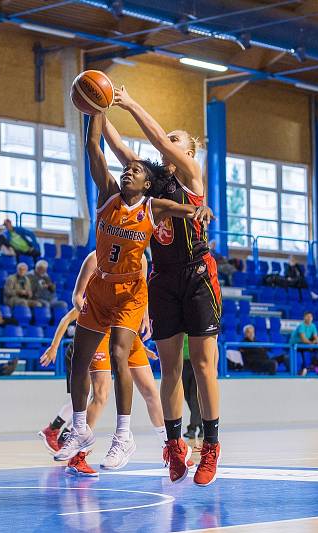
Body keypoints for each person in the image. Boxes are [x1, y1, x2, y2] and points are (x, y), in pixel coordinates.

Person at [52, 113, 211, 477]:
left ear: (147, 182)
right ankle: (79, 429)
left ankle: (124, 436)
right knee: (79, 357)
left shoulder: (153, 205)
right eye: (128, 169)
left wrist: (198, 209)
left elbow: (183, 208)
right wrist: (97, 110)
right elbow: (96, 147)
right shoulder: (108, 194)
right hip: (101, 286)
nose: (128, 171)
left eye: (136, 171)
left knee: (119, 354)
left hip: (131, 290)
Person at [104, 87, 223, 485]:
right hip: (163, 278)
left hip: (197, 274)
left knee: (203, 366)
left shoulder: (191, 175)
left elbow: (153, 140)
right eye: (167, 138)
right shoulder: (150, 184)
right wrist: (97, 109)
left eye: (176, 140)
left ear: (189, 152)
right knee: (169, 370)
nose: (166, 143)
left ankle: (211, 447)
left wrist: (130, 101)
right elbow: (121, 150)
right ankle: (175, 448)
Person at [38, 251, 175, 475]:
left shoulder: (140, 258)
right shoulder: (95, 258)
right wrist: (92, 318)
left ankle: (170, 448)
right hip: (100, 330)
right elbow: (77, 298)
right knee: (100, 395)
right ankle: (77, 455)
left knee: (151, 390)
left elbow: (141, 292)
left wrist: (144, 317)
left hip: (126, 330)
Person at [181, 335, 202, 439]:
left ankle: (192, 428)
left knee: (194, 398)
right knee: (187, 396)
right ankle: (201, 425)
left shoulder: (194, 326)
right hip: (183, 364)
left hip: (196, 363)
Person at [289, 311, 318, 376]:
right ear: (304, 317)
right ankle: (301, 370)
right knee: (304, 353)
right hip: (295, 344)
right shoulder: (301, 326)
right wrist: (311, 343)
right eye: (308, 316)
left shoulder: (313, 326)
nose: (309, 318)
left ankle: (311, 367)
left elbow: (316, 338)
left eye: (311, 317)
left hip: (305, 344)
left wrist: (313, 343)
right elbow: (303, 339)